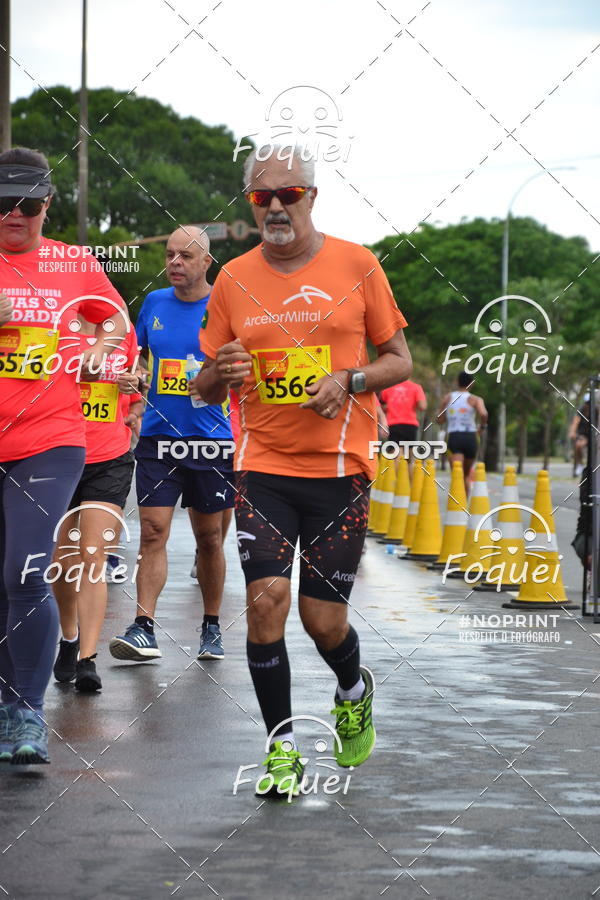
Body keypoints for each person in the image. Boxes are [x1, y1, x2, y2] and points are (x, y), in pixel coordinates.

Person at [194, 146, 412, 797]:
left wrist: (349, 380)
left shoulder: (357, 264)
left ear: (312, 196)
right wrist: (218, 375)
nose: (277, 206)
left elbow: (398, 360)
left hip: (340, 471)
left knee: (323, 621)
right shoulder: (232, 278)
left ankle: (351, 689)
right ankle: (281, 750)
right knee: (265, 603)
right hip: (262, 466)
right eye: (263, 197)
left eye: (289, 193)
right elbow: (203, 385)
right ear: (251, 204)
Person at [0, 148, 129, 764]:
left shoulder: (75, 262)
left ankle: (27, 715)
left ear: (48, 205)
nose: (16, 214)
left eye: (28, 204)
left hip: (49, 440)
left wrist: (102, 347)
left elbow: (115, 316)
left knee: (26, 572)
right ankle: (7, 700)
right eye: (4, 203)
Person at [109, 226, 234, 664]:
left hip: (211, 439)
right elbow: (138, 356)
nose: (175, 262)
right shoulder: (154, 303)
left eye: (186, 255)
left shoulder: (225, 305)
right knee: (153, 533)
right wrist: (135, 381)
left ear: (206, 262)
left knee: (209, 540)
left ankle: (212, 626)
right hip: (160, 437)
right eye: (169, 254)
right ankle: (144, 627)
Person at [52, 321, 143, 692]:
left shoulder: (124, 329)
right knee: (61, 562)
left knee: (94, 555)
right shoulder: (55, 321)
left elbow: (136, 389)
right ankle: (69, 637)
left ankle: (87, 659)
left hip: (110, 457)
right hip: (57, 453)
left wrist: (134, 391)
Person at [437, 371, 487, 496]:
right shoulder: (475, 399)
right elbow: (483, 414)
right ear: (471, 384)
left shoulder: (448, 398)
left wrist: (448, 416)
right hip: (471, 437)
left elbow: (439, 419)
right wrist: (482, 427)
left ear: (457, 382)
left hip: (454, 437)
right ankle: (465, 504)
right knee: (465, 475)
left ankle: (458, 507)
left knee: (456, 475)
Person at [569, 393, 590, 478]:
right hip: (583, 434)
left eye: (590, 403)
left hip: (593, 434)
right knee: (578, 445)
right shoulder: (581, 410)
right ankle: (580, 464)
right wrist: (572, 432)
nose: (588, 405)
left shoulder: (596, 410)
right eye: (587, 403)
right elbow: (575, 422)